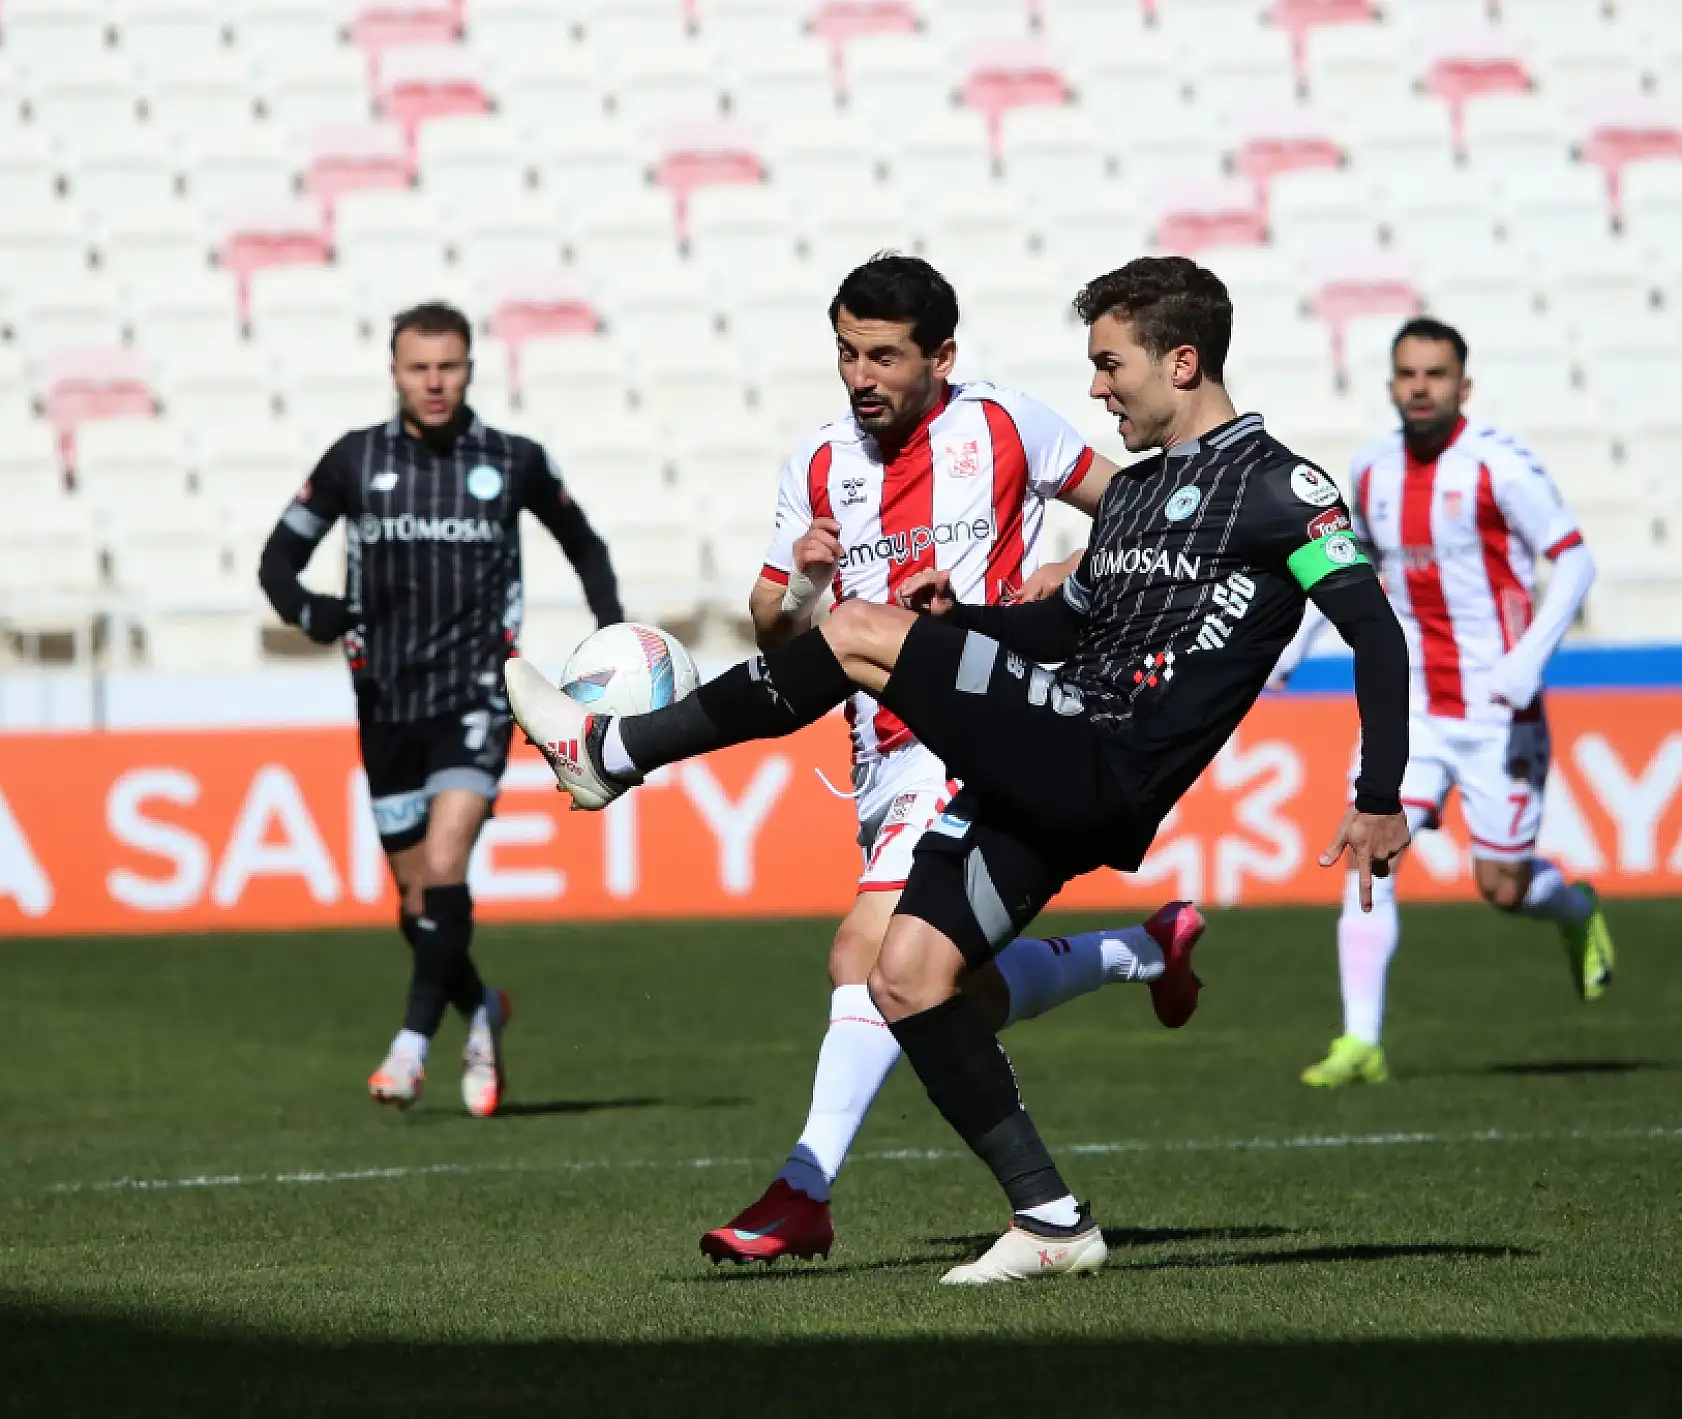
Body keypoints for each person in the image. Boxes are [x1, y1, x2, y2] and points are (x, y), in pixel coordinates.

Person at [507, 256, 1412, 1285]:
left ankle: (610, 753)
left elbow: (1373, 633)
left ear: (1182, 361)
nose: (1095, 387)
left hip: (1102, 748)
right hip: (1056, 758)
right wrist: (963, 624)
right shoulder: (1135, 497)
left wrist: (1377, 796)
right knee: (904, 977)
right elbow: (1064, 622)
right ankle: (1051, 1221)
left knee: (853, 628)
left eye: (1109, 365)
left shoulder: (1278, 489)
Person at [699, 253, 1206, 1267]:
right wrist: (801, 589)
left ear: (940, 355)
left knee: (861, 953)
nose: (859, 376)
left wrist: (1067, 578)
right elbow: (774, 635)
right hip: (879, 756)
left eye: (883, 355)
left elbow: (1138, 509)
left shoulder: (1003, 425)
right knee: (932, 985)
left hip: (981, 728)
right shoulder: (816, 462)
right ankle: (1138, 952)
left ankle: (803, 1193)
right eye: (846, 352)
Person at [258, 301, 623, 1116]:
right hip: (385, 699)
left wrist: (610, 631)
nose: (434, 381)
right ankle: (480, 1010)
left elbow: (585, 544)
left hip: (477, 694)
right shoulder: (355, 461)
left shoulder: (513, 459)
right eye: (418, 367)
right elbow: (279, 556)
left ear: (469, 368)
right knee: (418, 904)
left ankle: (412, 1046)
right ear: (394, 371)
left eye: (448, 365)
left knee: (449, 865)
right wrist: (309, 608)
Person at [1272, 316, 1615, 1089]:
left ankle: (1575, 906)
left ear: (1463, 386)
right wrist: (1290, 652)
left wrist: (1529, 661)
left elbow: (1575, 561)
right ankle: (1362, 1040)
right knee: (1371, 848)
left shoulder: (1499, 467)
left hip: (1498, 708)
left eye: (1434, 374)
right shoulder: (1368, 470)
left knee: (1502, 886)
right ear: (1390, 383)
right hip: (1414, 706)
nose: (1419, 387)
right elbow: (1341, 571)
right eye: (1406, 373)